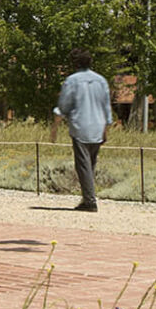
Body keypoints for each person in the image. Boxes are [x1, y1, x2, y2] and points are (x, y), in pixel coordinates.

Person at [51, 48, 113, 212]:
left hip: (80, 127)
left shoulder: (72, 80)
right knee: (90, 164)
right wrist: (106, 128)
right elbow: (107, 106)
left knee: (83, 165)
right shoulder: (101, 80)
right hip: (98, 127)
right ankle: (87, 198)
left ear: (75, 63)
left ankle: (90, 202)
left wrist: (55, 125)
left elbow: (64, 106)